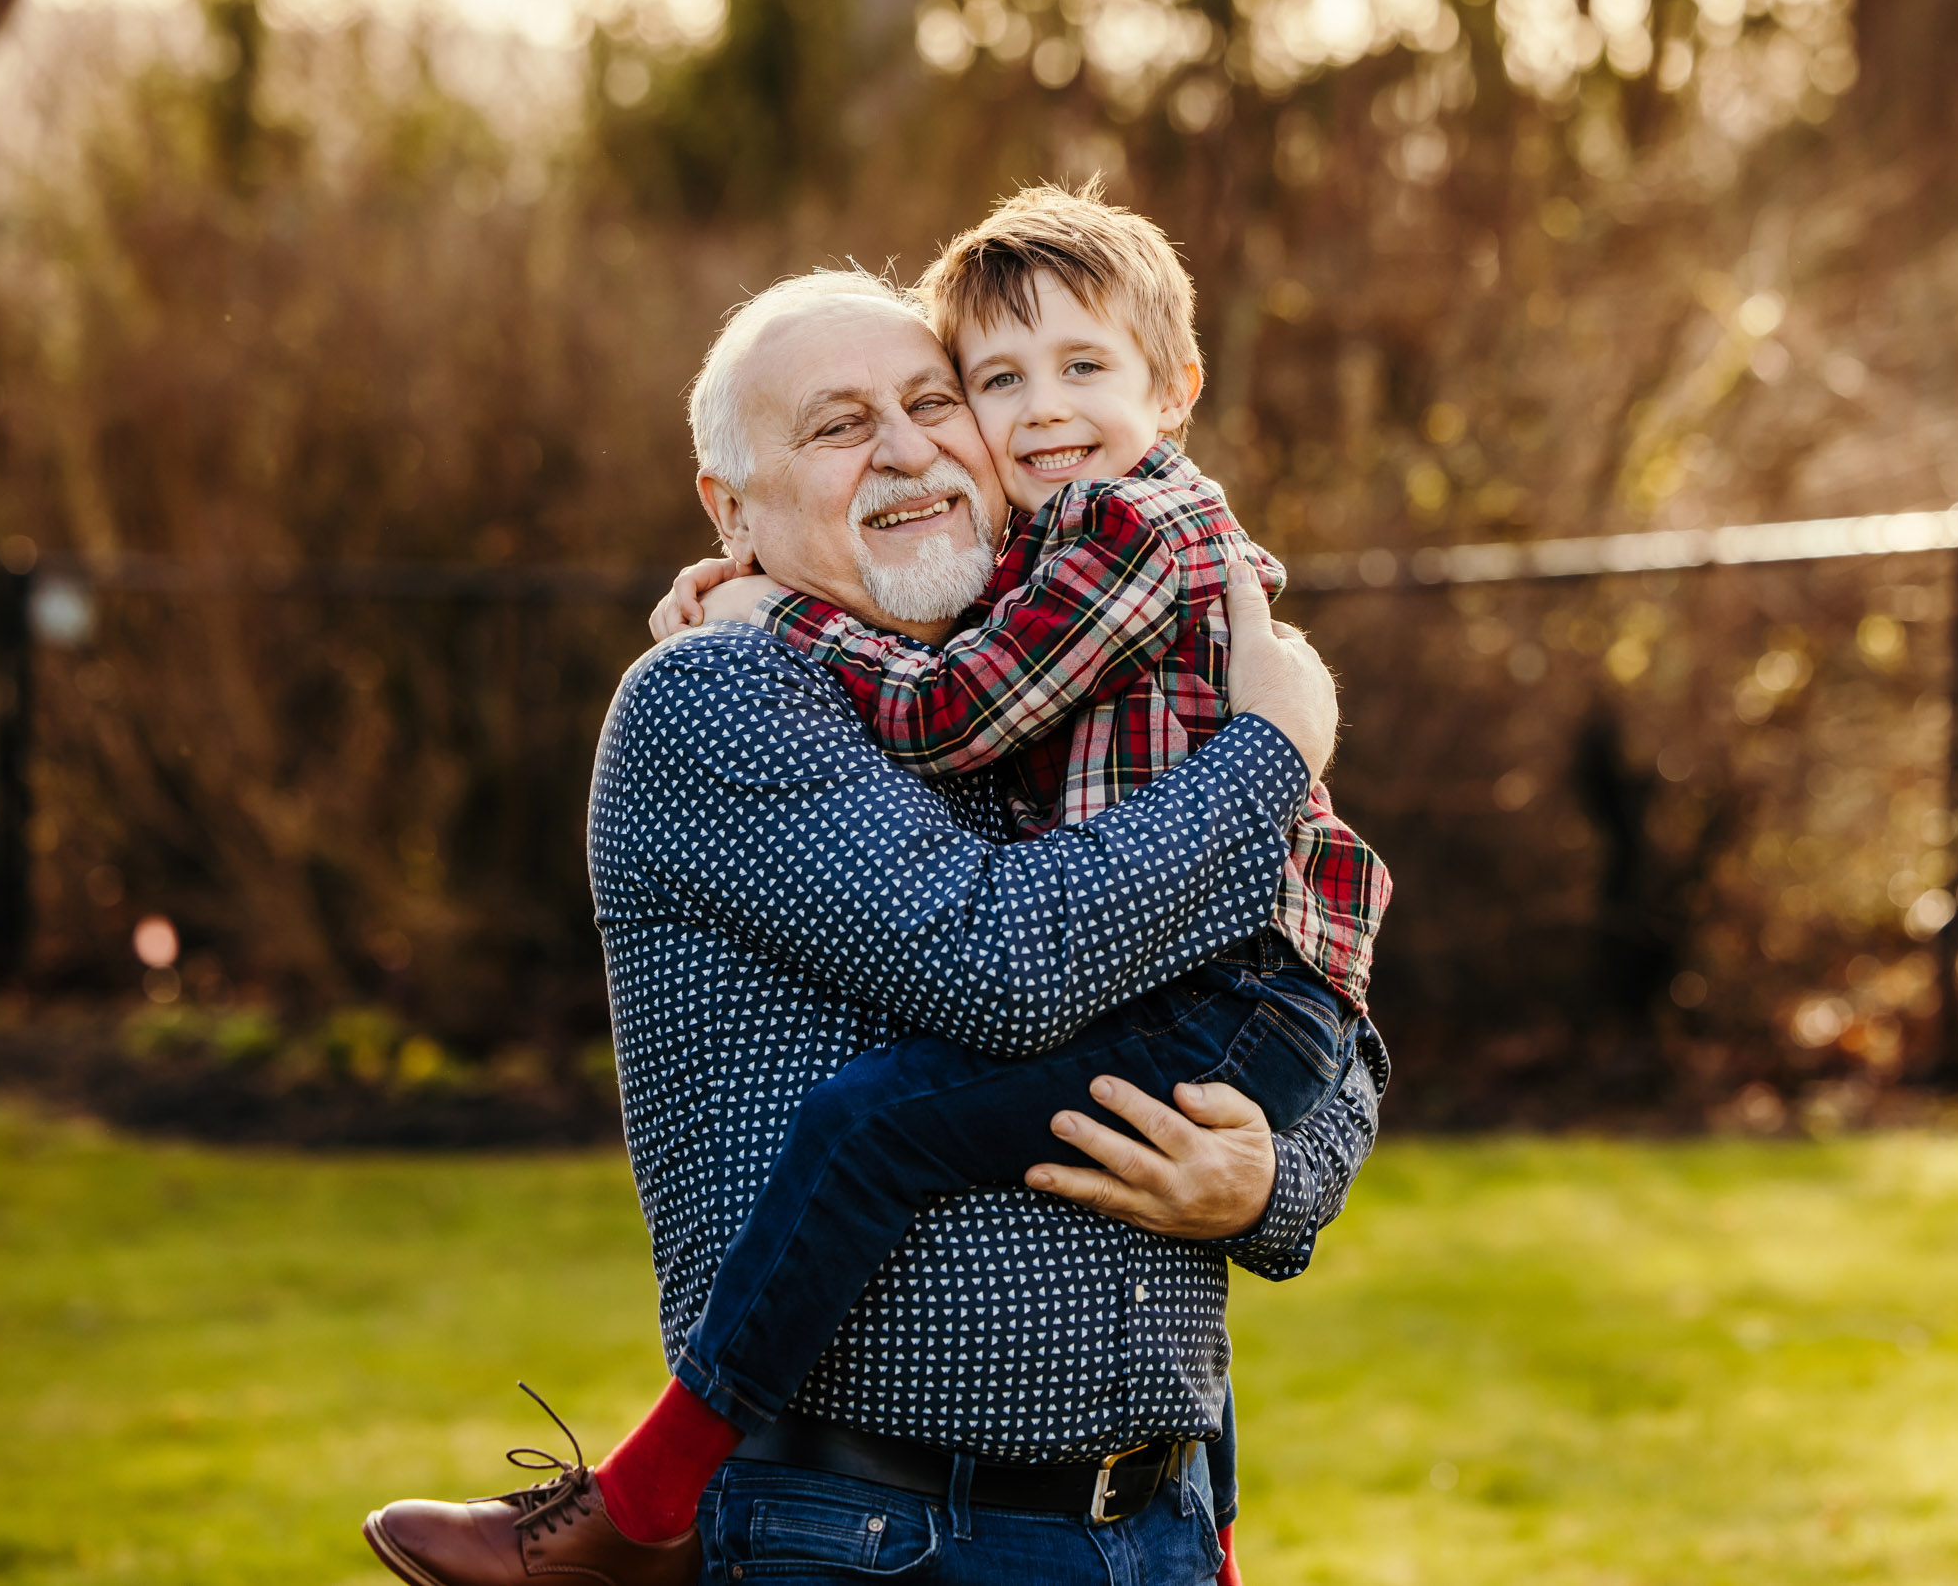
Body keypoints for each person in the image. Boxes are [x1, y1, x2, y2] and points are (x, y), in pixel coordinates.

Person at [361, 270, 1386, 1586]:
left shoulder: (1067, 691)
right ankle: (644, 1501)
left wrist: (1266, 1187)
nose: (910, 446)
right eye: (841, 426)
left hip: (1155, 1530)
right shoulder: (720, 693)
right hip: (878, 1539)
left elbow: (1331, 1015)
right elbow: (1006, 967)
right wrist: (1273, 746)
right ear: (731, 510)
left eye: (934, 400)